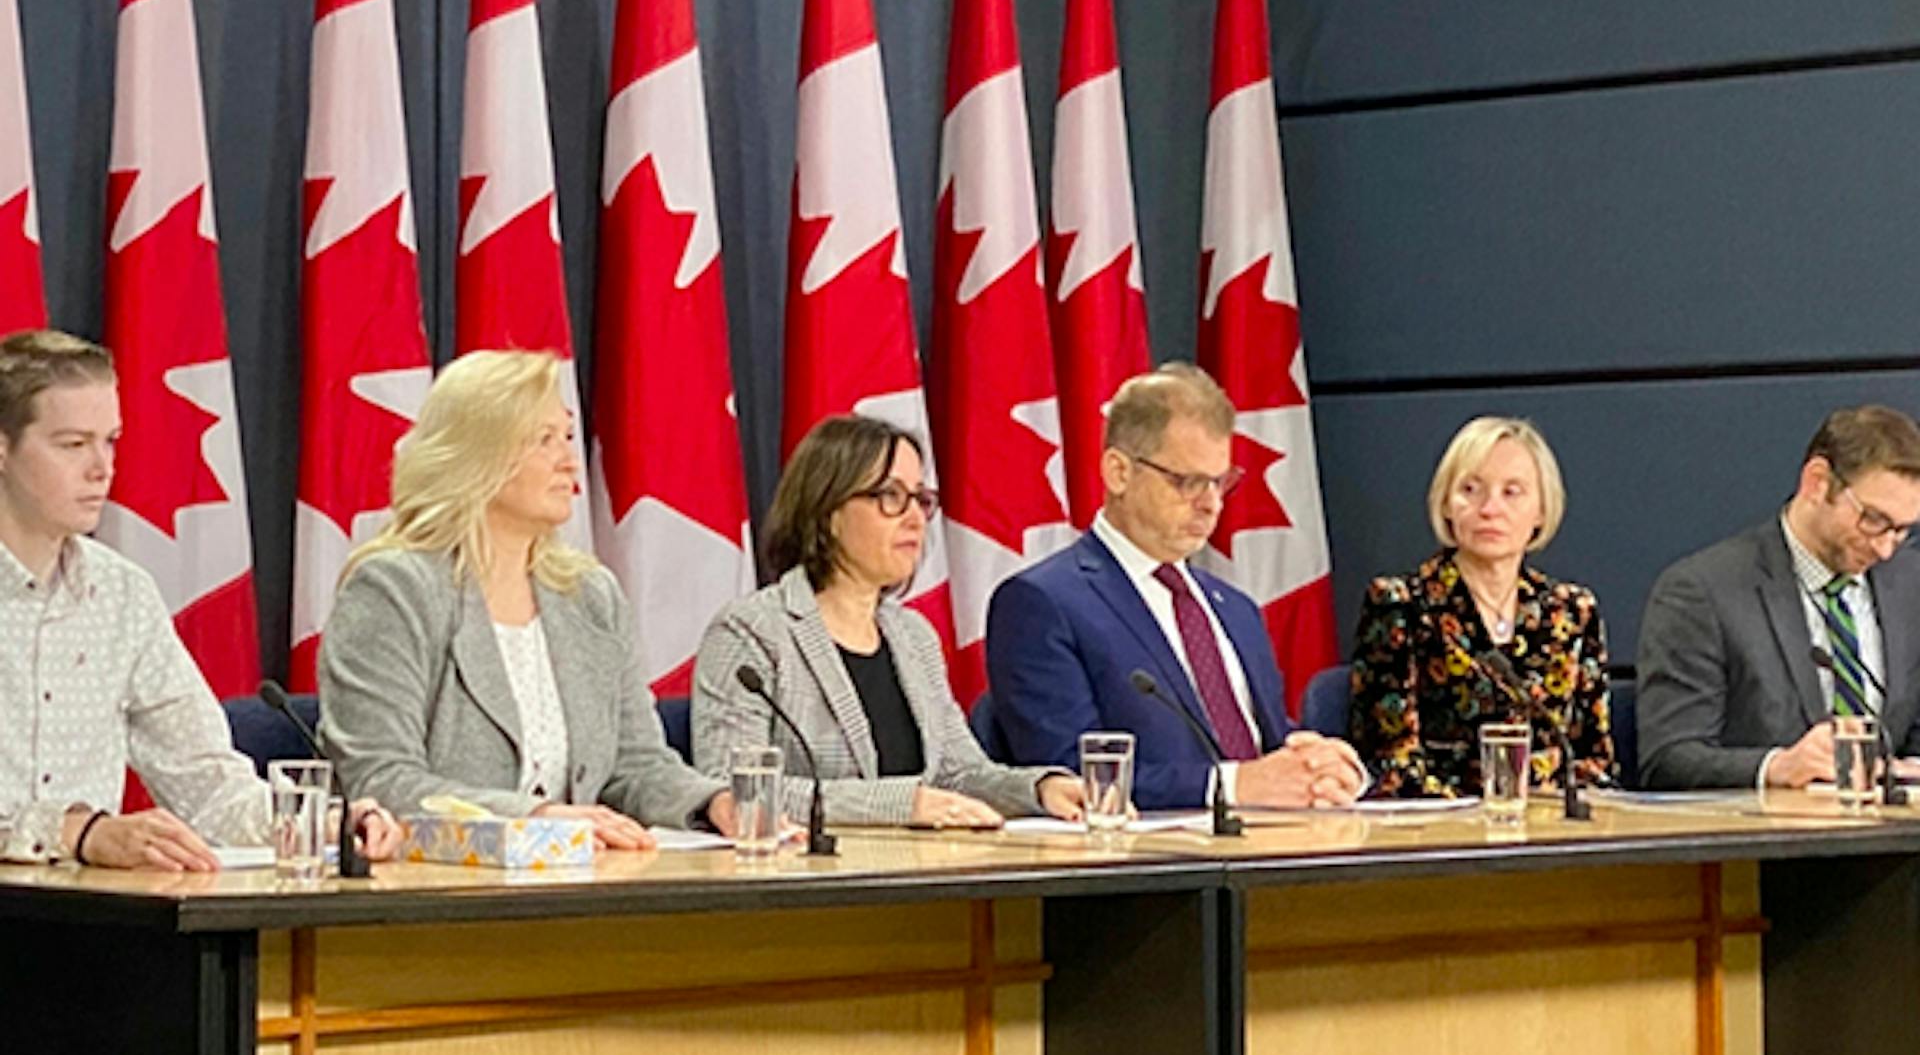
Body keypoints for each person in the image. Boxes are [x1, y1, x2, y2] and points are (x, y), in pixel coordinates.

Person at [0, 328, 400, 869]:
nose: (102, 467)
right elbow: (79, 834)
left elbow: (207, 782)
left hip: (81, 926)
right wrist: (73, 832)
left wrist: (320, 823)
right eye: (72, 444)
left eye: (111, 440)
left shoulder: (122, 596)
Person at [321, 349, 726, 845]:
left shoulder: (590, 595)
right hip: (439, 889)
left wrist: (714, 802)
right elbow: (381, 778)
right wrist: (535, 817)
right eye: (543, 440)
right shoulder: (395, 589)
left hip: (582, 882)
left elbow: (634, 764)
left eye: (569, 436)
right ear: (477, 454)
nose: (568, 460)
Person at [985, 363, 1365, 812]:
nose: (1210, 503)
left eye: (1220, 482)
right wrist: (1230, 787)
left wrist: (1319, 769)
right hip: (1146, 870)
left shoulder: (1235, 609)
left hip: (1269, 857)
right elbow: (1071, 775)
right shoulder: (1042, 603)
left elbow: (1258, 749)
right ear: (1118, 472)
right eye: (1186, 482)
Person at [693, 414, 1083, 828]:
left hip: (923, 872)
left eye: (920, 499)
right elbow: (737, 791)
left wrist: (1039, 788)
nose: (915, 518)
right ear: (829, 511)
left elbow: (960, 774)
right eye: (891, 497)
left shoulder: (913, 635)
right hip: (807, 880)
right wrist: (903, 804)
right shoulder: (752, 632)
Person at [1637, 405, 1920, 789]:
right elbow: (1667, 760)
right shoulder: (1702, 592)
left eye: (1902, 530)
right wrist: (1778, 767)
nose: (1886, 548)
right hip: (1766, 843)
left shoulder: (1910, 583)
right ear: (1817, 482)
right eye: (1873, 520)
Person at [1347, 417, 1613, 800]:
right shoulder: (1400, 604)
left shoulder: (1573, 612)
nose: (1490, 508)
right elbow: (1390, 763)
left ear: (1541, 510)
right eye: (1470, 490)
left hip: (1552, 831)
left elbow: (1594, 761)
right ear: (1446, 505)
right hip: (1443, 834)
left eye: (1512, 492)